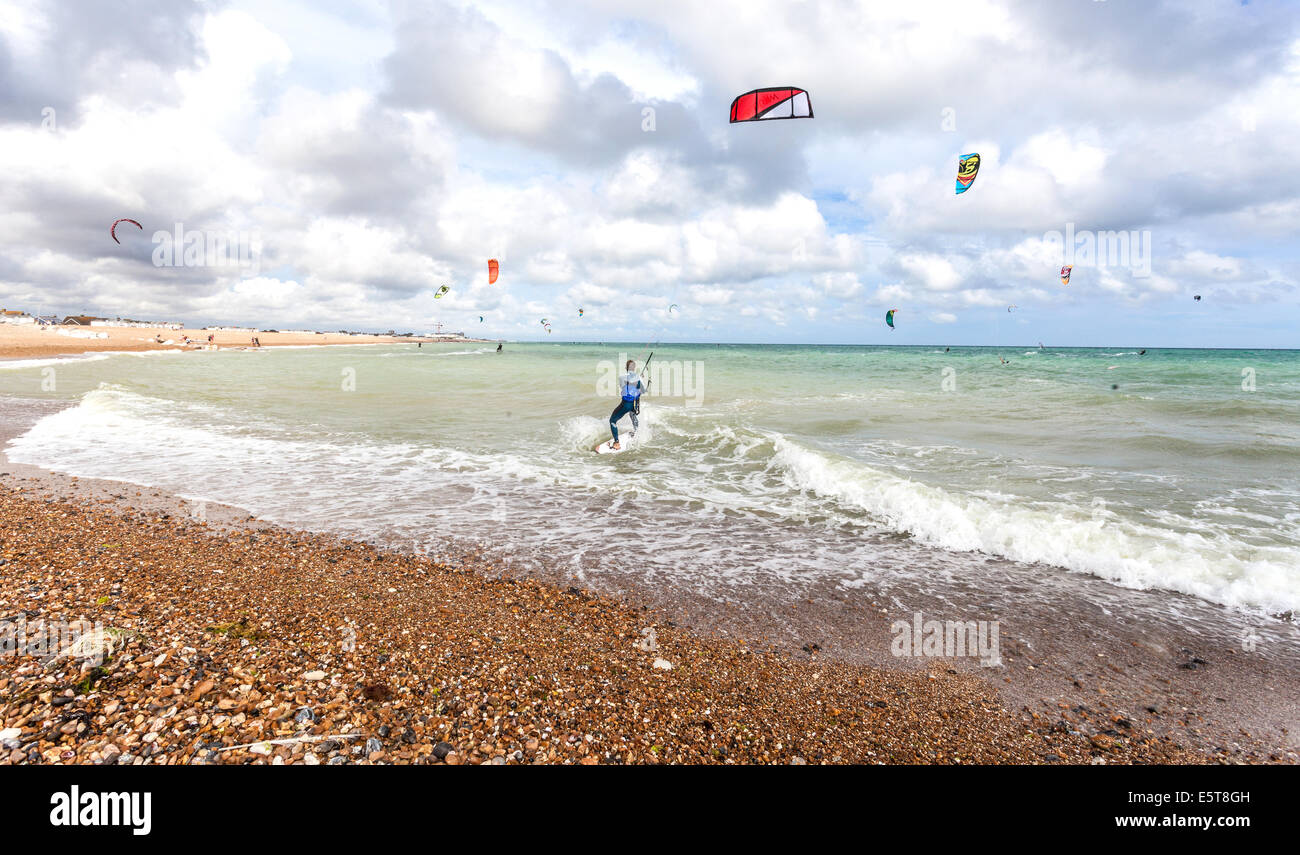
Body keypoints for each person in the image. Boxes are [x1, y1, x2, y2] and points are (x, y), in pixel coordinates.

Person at [608, 359, 646, 449]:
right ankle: (637, 433)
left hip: (626, 404)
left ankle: (617, 443)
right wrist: (640, 378)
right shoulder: (638, 378)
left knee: (612, 421)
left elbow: (623, 387)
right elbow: (643, 391)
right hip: (634, 404)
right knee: (632, 415)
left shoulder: (621, 377)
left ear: (626, 367)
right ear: (634, 368)